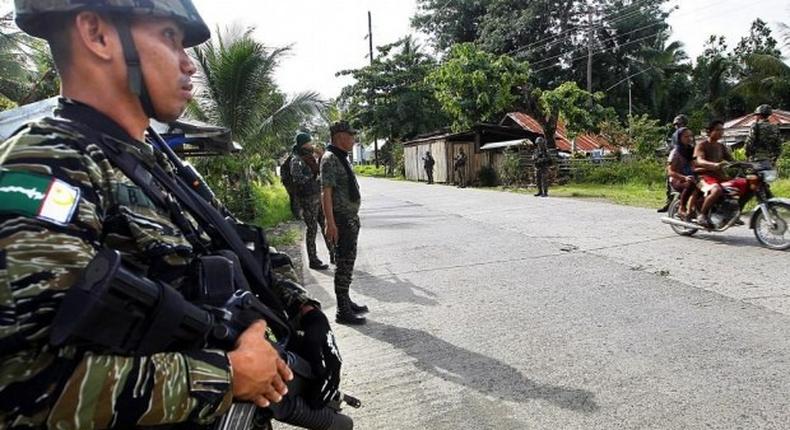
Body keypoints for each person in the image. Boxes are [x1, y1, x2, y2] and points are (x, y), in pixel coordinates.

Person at [0, 1, 339, 427]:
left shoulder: (157, 164)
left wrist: (306, 311)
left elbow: (238, 250)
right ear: (97, 34)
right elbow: (20, 388)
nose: (189, 64)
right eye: (169, 38)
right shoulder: (44, 169)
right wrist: (226, 377)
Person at [321, 121, 368, 325]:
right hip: (340, 219)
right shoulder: (330, 158)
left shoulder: (340, 157)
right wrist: (330, 223)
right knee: (343, 263)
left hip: (349, 219)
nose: (353, 139)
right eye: (350, 136)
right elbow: (326, 192)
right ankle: (342, 310)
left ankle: (346, 301)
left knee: (348, 262)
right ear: (340, 137)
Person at [693, 120, 748, 228]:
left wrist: (747, 164)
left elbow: (732, 161)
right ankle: (702, 215)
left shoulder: (721, 146)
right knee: (716, 190)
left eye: (722, 130)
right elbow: (699, 160)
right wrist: (714, 165)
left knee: (746, 184)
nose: (721, 132)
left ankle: (734, 214)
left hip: (719, 177)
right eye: (718, 130)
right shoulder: (701, 145)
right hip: (703, 176)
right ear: (709, 132)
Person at [291, 132, 332, 270]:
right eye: (309, 142)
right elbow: (297, 178)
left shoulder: (310, 156)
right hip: (307, 199)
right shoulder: (296, 159)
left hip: (317, 197)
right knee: (312, 229)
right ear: (303, 144)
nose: (311, 144)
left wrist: (321, 157)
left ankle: (334, 254)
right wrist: (313, 178)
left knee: (325, 224)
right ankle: (313, 260)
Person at [658, 114, 688, 212]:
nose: (677, 126)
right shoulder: (676, 134)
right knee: (670, 183)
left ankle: (679, 204)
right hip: (675, 162)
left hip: (684, 163)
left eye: (679, 124)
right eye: (676, 125)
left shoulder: (685, 134)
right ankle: (670, 203)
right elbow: (672, 148)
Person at [666, 127, 698, 220]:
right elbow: (670, 172)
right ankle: (682, 208)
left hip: (691, 177)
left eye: (690, 136)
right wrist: (684, 177)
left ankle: (695, 210)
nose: (689, 138)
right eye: (686, 136)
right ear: (679, 138)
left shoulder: (691, 150)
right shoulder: (675, 152)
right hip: (677, 179)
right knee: (690, 184)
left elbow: (695, 165)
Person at [280, 153, 302, 219]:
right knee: (295, 198)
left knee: (293, 198)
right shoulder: (292, 161)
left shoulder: (285, 164)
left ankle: (296, 214)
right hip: (290, 184)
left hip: (288, 184)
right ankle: (297, 215)